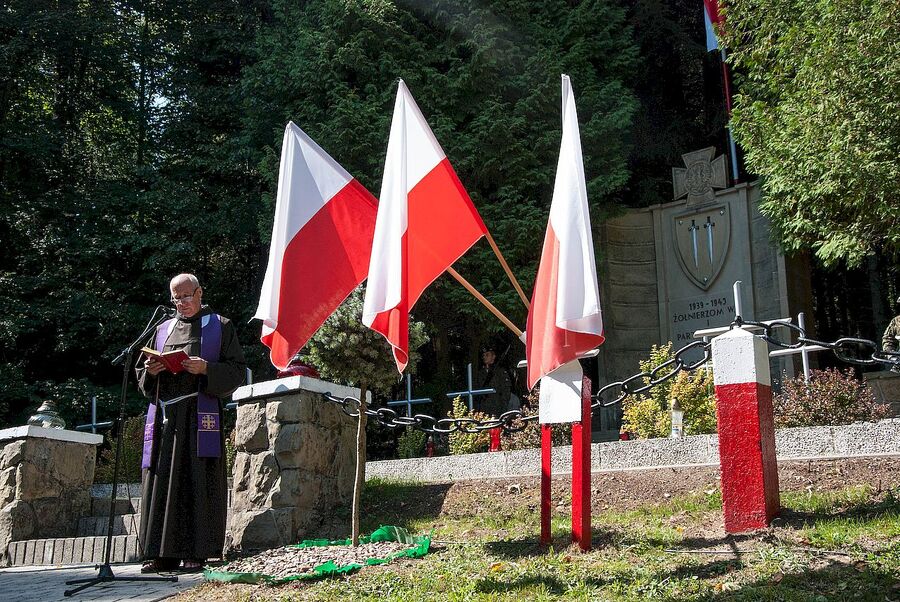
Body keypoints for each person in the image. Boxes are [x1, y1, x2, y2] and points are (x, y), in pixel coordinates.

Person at [135, 274, 246, 572]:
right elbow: (141, 375)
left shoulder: (220, 326)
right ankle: (160, 553)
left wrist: (206, 367)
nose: (182, 303)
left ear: (199, 293)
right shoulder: (161, 329)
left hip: (199, 417)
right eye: (176, 298)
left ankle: (196, 552)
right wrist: (153, 370)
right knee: (162, 483)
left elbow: (236, 370)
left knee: (196, 481)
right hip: (166, 420)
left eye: (186, 296)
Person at [475, 346, 511, 417]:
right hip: (483, 408)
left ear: (493, 356)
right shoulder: (480, 373)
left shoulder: (501, 372)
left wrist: (503, 407)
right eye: (483, 355)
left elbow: (506, 391)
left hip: (497, 406)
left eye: (487, 355)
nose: (484, 357)